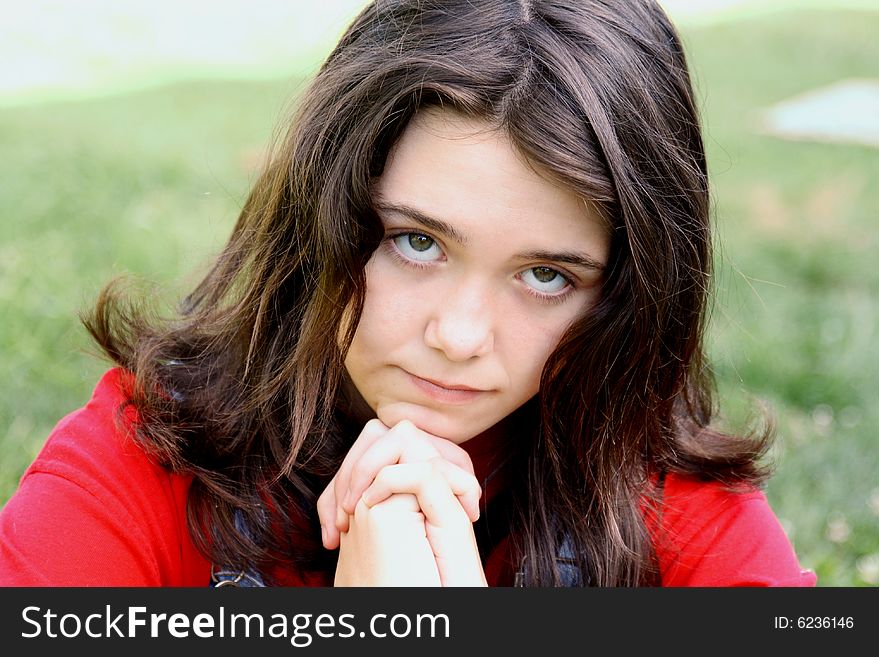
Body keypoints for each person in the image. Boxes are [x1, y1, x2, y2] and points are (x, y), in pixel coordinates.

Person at [0, 0, 816, 587]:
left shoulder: (658, 495)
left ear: (626, 299)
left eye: (546, 276)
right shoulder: (145, 468)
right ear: (322, 219)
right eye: (416, 242)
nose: (460, 335)